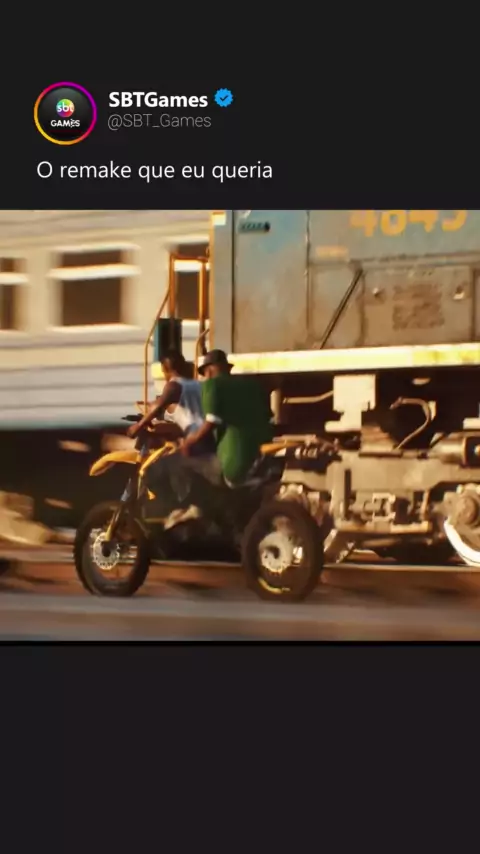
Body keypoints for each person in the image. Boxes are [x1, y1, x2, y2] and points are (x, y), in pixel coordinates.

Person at [127, 350, 218, 525]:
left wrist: (138, 426)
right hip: (208, 439)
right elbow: (190, 417)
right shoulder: (197, 385)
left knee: (153, 471)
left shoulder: (174, 385)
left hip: (196, 442)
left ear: (165, 369)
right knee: (174, 463)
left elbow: (161, 404)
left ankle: (180, 508)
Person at [181, 349, 274, 486]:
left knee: (180, 465)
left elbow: (211, 422)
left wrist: (189, 442)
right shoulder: (253, 385)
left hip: (234, 462)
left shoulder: (212, 385)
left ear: (208, 371)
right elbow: (268, 416)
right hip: (262, 457)